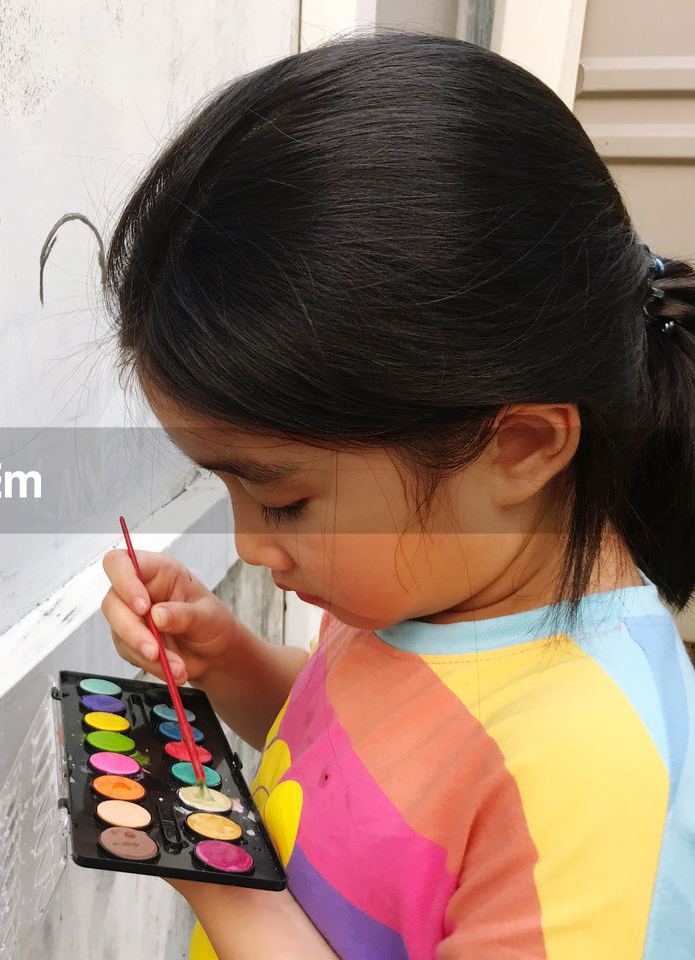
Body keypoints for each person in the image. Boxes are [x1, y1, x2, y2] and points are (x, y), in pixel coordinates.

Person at [98, 31, 695, 960]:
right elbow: (370, 759)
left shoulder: (593, 778)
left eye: (284, 499)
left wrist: (213, 874)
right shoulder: (430, 582)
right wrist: (233, 662)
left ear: (522, 447)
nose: (253, 546)